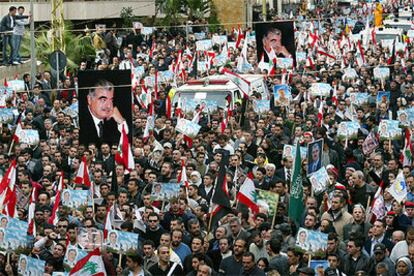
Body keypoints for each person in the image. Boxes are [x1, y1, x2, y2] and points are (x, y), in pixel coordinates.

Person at [80, 79, 127, 146]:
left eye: (111, 100)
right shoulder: (81, 120)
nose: (109, 106)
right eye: (103, 100)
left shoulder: (111, 119)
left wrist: (121, 122)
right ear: (89, 99)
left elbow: (125, 141)